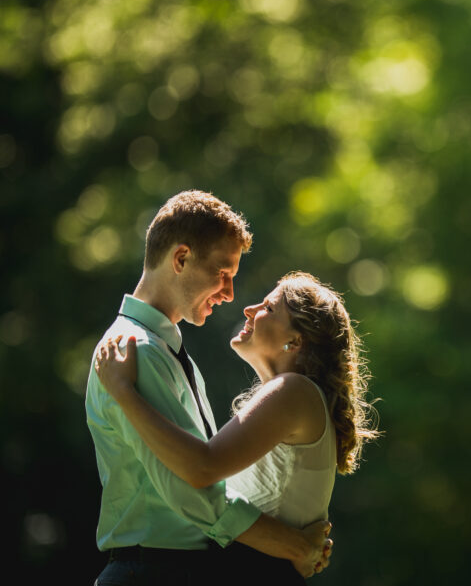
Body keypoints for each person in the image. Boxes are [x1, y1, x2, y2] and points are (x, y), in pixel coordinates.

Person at [85, 191, 333, 586]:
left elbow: (206, 473)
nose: (231, 294)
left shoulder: (170, 352)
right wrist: (290, 544)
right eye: (223, 273)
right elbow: (192, 489)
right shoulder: (138, 352)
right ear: (181, 259)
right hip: (152, 572)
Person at [95, 270, 379, 584]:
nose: (249, 309)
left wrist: (124, 392)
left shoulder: (293, 392)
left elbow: (203, 468)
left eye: (269, 308)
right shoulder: (296, 398)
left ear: (295, 341)